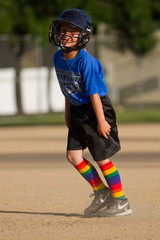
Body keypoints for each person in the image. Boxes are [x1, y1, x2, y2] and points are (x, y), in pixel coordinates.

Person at [49, 8, 132, 217]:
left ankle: (121, 200)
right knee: (73, 156)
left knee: (101, 157)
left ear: (84, 36)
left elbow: (94, 93)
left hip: (96, 109)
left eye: (72, 32)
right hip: (78, 109)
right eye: (63, 30)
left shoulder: (86, 61)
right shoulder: (58, 57)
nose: (66, 35)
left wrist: (101, 121)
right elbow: (67, 88)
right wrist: (68, 112)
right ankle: (101, 192)